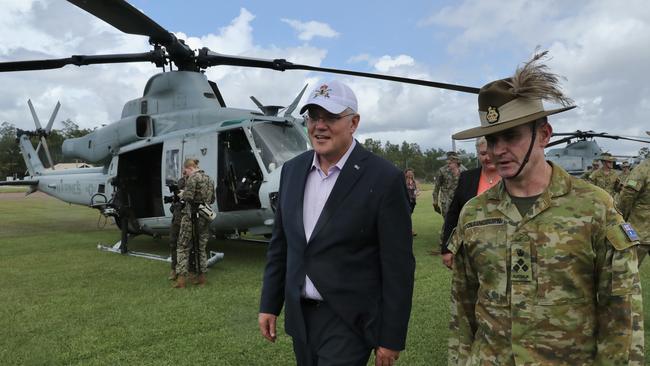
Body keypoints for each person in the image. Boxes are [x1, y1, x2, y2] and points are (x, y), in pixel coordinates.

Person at [447, 50, 643, 365]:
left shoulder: (594, 207)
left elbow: (620, 312)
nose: (498, 151)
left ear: (544, 134)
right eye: (492, 140)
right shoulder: (474, 213)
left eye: (510, 136)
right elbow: (463, 310)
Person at [258, 80, 415, 366]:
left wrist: (391, 337)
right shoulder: (292, 171)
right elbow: (281, 246)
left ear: (353, 122)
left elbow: (398, 267)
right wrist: (269, 304)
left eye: (331, 117)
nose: (320, 126)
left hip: (348, 319)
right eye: (313, 117)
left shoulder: (383, 178)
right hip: (301, 317)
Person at [440, 137, 500, 269]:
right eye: (483, 154)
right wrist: (446, 249)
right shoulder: (467, 177)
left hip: (504, 251)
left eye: (491, 152)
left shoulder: (511, 176)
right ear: (477, 154)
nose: (487, 157)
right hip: (472, 251)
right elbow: (454, 213)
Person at [174, 158, 215, 288]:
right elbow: (212, 199)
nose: (185, 173)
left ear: (189, 168)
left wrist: (182, 194)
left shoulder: (193, 178)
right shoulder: (209, 179)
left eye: (185, 171)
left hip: (191, 215)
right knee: (201, 248)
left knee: (182, 246)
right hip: (205, 215)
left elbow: (188, 197)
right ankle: (202, 278)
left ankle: (181, 280)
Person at [616, 153, 650, 264]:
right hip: (641, 233)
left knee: (629, 273)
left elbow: (627, 196)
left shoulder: (642, 169)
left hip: (640, 231)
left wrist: (622, 218)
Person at [168, 173, 187, 281]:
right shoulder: (179, 185)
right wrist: (174, 202)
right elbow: (172, 207)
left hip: (186, 221)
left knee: (187, 246)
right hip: (176, 221)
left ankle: (189, 270)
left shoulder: (193, 184)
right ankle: (174, 269)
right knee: (173, 244)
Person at [405, 168, 419, 236]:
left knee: (409, 215)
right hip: (406, 201)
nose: (410, 174)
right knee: (407, 215)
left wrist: (417, 192)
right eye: (409, 172)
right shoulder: (403, 181)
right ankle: (410, 230)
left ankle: (408, 230)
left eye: (411, 172)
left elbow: (416, 189)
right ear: (406, 174)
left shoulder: (414, 182)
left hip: (413, 201)